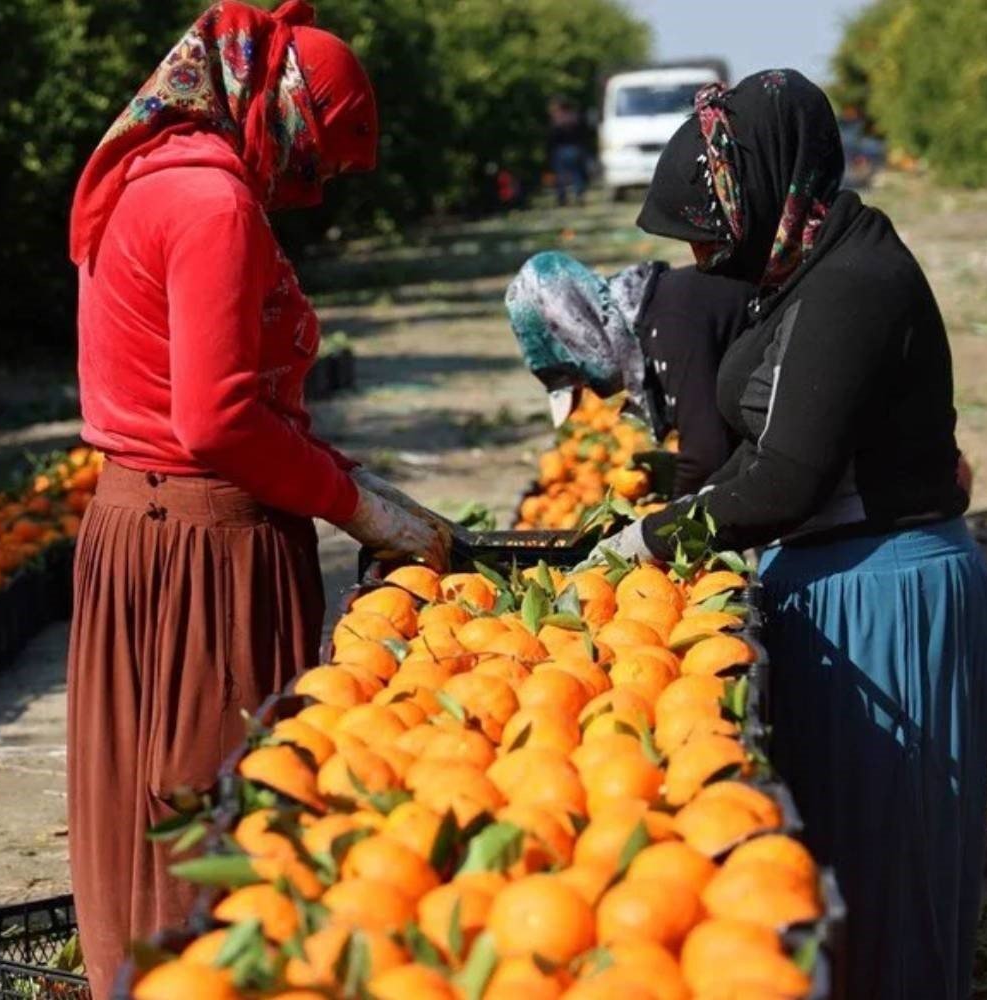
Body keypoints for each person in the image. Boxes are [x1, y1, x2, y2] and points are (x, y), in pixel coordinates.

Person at [64, 3, 449, 994]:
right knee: (214, 809)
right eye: (320, 163)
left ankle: (134, 975)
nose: (313, 194)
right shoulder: (211, 205)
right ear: (288, 113)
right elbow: (217, 421)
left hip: (133, 524)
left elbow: (205, 389)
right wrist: (350, 505)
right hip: (203, 545)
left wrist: (328, 460)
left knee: (141, 810)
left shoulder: (155, 172)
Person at [606, 70, 987, 999]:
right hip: (831, 580)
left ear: (764, 186)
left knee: (883, 872)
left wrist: (657, 540)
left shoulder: (855, 282)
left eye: (709, 227)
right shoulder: (802, 271)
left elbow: (785, 477)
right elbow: (763, 447)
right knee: (829, 875)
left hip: (885, 595)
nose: (703, 255)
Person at [505, 252, 754, 496]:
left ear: (578, 334)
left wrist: (663, 528)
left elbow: (707, 458)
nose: (591, 388)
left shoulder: (670, 324)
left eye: (580, 376)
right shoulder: (650, 315)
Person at [547, 98, 590, 207]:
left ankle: (562, 198)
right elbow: (584, 133)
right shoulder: (575, 117)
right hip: (576, 149)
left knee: (561, 175)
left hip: (560, 150)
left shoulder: (557, 119)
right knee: (577, 174)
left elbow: (552, 137)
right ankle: (579, 195)